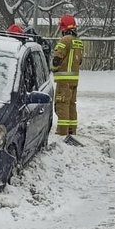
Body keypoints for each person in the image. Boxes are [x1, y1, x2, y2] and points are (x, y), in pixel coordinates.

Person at [51, 14, 84, 144]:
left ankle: (62, 132)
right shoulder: (78, 41)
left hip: (63, 80)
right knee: (71, 105)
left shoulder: (65, 40)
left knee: (62, 105)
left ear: (63, 28)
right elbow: (79, 61)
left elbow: (57, 59)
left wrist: (53, 68)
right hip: (74, 79)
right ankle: (71, 130)